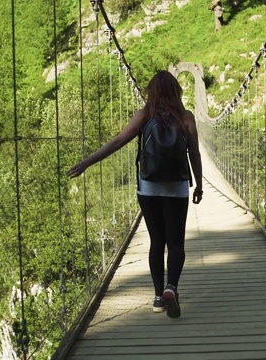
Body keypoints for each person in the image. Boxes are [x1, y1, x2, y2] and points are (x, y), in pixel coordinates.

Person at [67, 70, 203, 319]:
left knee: (156, 241)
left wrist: (87, 162)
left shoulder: (144, 115)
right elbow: (194, 153)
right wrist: (199, 185)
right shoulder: (186, 117)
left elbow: (118, 142)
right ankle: (172, 287)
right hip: (177, 188)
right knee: (175, 242)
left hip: (148, 188)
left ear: (152, 92)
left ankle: (158, 297)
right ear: (176, 92)